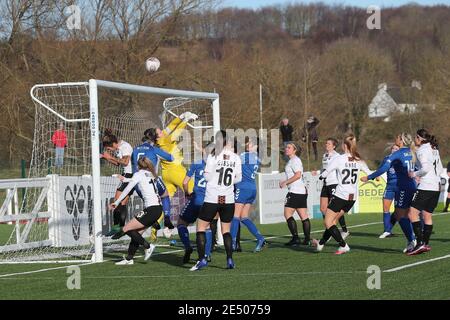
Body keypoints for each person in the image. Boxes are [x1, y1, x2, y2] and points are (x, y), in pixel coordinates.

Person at [190, 130, 242, 271]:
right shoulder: (236, 158)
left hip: (212, 197)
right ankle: (229, 259)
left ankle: (202, 260)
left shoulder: (213, 155)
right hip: (228, 199)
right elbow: (238, 178)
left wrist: (214, 177)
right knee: (226, 230)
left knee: (201, 227)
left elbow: (206, 177)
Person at [313, 134, 371, 254]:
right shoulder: (358, 159)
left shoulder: (339, 158)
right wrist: (369, 178)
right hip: (352, 197)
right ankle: (321, 243)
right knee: (332, 221)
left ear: (344, 146)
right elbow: (369, 173)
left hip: (341, 195)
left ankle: (343, 245)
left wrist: (321, 176)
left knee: (328, 222)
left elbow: (326, 172)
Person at [361, 133, 417, 253]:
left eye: (397, 137)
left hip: (403, 188)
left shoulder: (397, 154)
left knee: (400, 215)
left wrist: (369, 177)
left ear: (401, 140)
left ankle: (413, 240)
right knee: (405, 214)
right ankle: (413, 240)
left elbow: (383, 169)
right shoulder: (412, 152)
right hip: (411, 186)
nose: (395, 139)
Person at [144, 112, 198, 230]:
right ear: (157, 136)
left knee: (166, 201)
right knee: (196, 193)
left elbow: (171, 126)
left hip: (166, 174)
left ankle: (158, 227)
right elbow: (178, 130)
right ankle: (201, 222)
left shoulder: (159, 141)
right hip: (176, 171)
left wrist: (181, 116)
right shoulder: (165, 140)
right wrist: (186, 120)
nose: (163, 131)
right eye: (160, 132)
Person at [109, 157, 162, 265]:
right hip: (157, 209)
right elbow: (136, 180)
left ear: (137, 166)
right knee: (136, 234)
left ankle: (148, 246)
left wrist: (117, 202)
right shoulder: (150, 174)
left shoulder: (138, 175)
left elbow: (127, 189)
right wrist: (124, 179)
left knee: (126, 229)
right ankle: (129, 259)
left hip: (151, 210)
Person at [132, 130, 174, 241]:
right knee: (164, 196)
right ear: (154, 140)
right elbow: (171, 158)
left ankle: (152, 226)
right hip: (151, 180)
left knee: (150, 206)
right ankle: (166, 219)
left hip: (138, 183)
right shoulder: (153, 149)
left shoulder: (135, 150)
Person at [407, 129, 443, 255]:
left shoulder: (422, 150)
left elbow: (426, 168)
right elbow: (439, 168)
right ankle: (425, 244)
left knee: (412, 213)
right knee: (427, 216)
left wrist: (414, 174)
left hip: (426, 186)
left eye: (415, 137)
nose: (414, 140)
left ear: (419, 138)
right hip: (436, 186)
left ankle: (420, 243)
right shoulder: (434, 149)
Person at [178, 142, 212, 264]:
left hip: (196, 199)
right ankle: (207, 254)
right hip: (209, 200)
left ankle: (187, 246)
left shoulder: (197, 163)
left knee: (181, 223)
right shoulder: (216, 165)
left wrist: (187, 193)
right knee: (206, 227)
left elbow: (185, 182)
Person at [231, 137, 265, 253]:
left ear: (256, 146)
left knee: (235, 216)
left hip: (243, 187)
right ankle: (260, 238)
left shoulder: (246, 155)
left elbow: (232, 160)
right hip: (252, 188)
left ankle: (232, 242)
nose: (247, 144)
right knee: (244, 217)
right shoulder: (258, 158)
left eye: (250, 143)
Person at [101, 129, 133, 235]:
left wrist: (110, 157)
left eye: (109, 148)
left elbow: (126, 162)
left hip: (129, 176)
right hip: (126, 176)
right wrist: (106, 158)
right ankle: (120, 228)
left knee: (116, 201)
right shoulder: (118, 148)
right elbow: (117, 164)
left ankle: (117, 228)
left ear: (114, 143)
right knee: (122, 202)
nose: (109, 150)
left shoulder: (125, 147)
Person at [279, 142, 311, 246]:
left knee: (287, 214)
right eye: (286, 147)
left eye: (289, 147)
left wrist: (285, 182)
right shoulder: (292, 160)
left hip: (295, 191)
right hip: (301, 191)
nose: (286, 149)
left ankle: (296, 238)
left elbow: (298, 175)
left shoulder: (295, 160)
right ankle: (307, 239)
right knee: (303, 216)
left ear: (294, 150)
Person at [319, 138, 349, 240]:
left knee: (334, 209)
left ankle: (344, 230)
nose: (326, 145)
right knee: (323, 208)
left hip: (333, 184)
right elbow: (324, 169)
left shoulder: (337, 156)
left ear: (334, 146)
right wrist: (318, 172)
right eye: (326, 143)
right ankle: (330, 228)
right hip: (325, 184)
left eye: (328, 143)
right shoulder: (325, 155)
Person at [376, 144, 400, 238]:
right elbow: (381, 169)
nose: (394, 150)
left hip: (399, 187)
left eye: (396, 149)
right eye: (393, 148)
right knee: (386, 208)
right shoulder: (387, 158)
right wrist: (377, 175)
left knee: (399, 210)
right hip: (389, 186)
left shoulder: (401, 158)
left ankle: (390, 228)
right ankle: (387, 231)